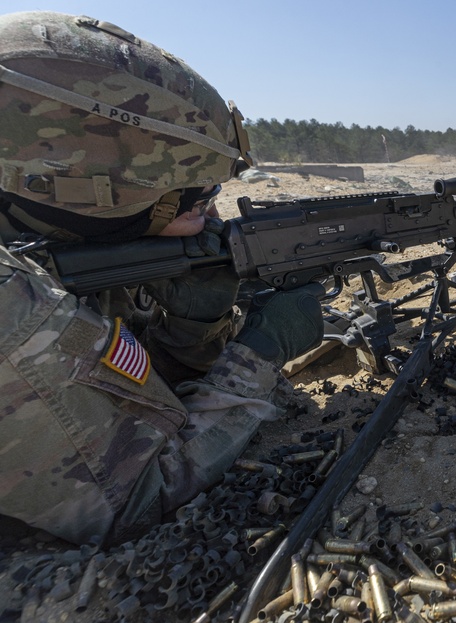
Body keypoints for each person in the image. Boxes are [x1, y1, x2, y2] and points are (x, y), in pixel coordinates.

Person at [0, 11, 326, 546]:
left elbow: (124, 404)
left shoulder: (60, 235)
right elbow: (135, 501)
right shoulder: (13, 305)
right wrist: (260, 353)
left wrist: (194, 327)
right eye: (196, 199)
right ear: (86, 193)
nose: (215, 219)